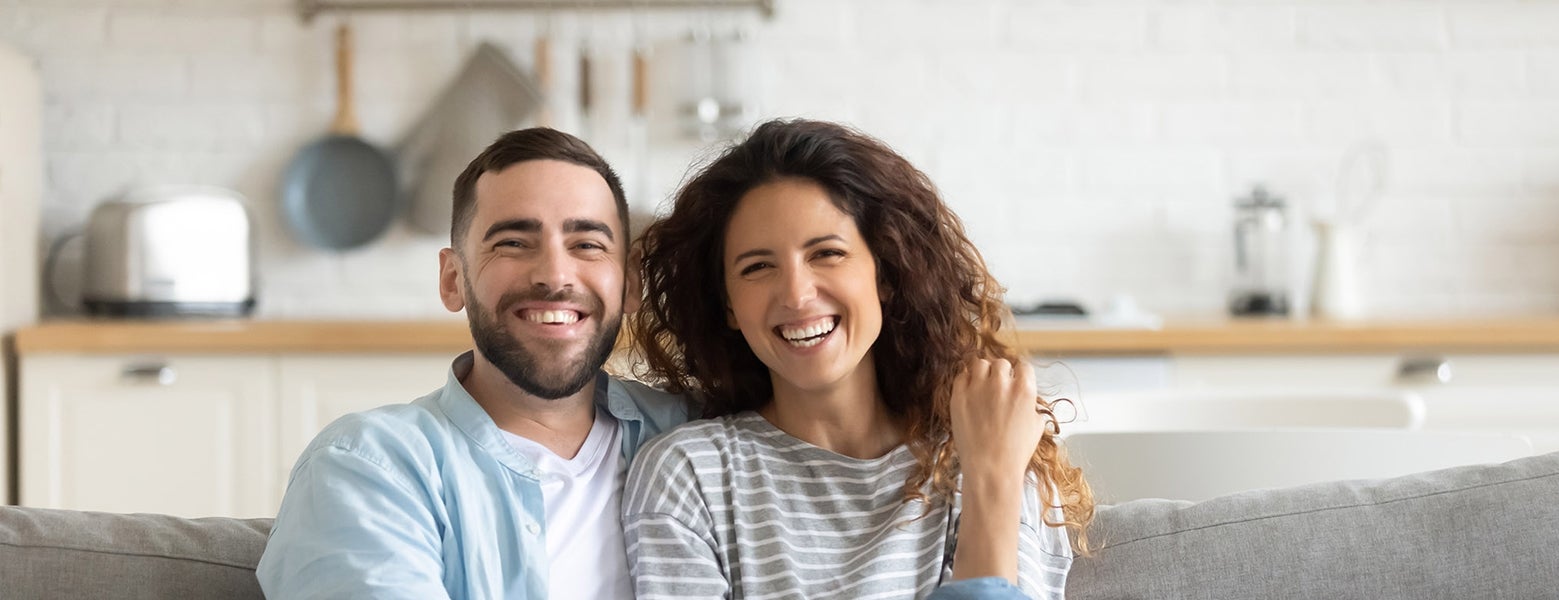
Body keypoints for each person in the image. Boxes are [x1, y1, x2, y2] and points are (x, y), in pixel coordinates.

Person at [621, 119, 1095, 599]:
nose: (797, 294)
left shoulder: (991, 452)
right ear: (728, 305)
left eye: (826, 253)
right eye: (758, 266)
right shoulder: (689, 475)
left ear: (885, 274)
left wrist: (991, 482)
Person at [257, 128, 693, 599]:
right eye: (512, 243)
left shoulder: (694, 436)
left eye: (587, 244)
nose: (554, 275)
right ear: (452, 280)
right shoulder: (367, 468)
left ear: (629, 283)